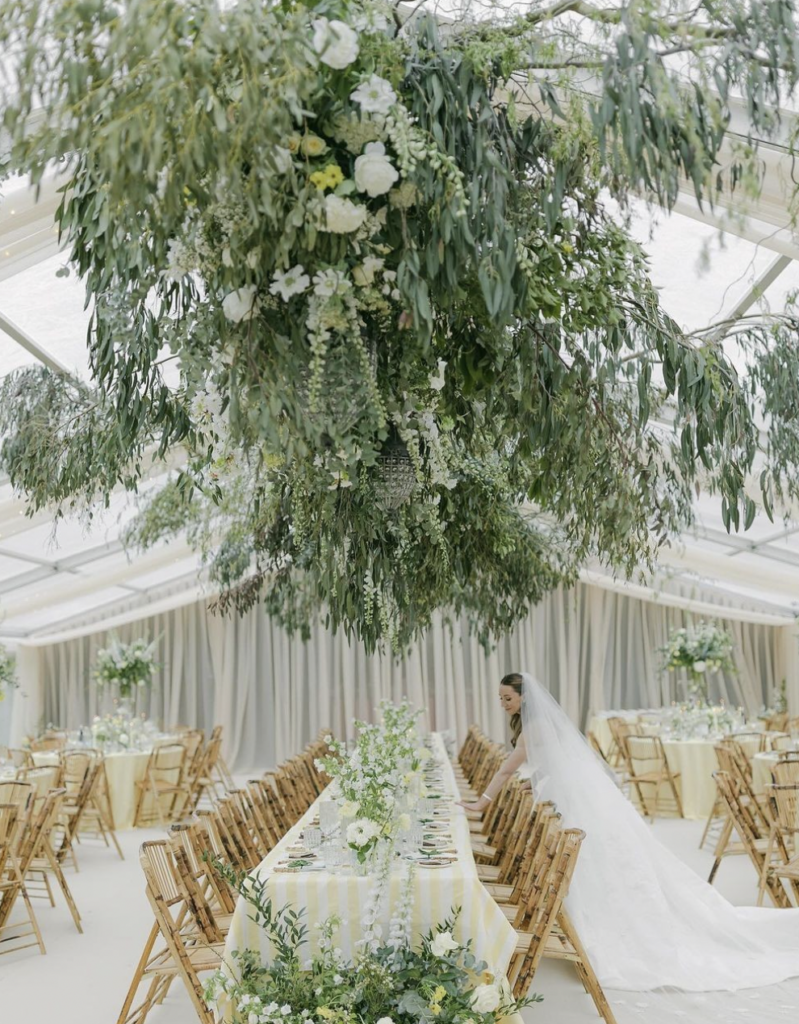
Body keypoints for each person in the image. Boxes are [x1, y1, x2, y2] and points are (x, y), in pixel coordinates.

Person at [460, 671, 799, 1020]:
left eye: (508, 698)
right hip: (580, 795)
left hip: (577, 801)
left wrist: (480, 804)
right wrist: (537, 782)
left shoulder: (531, 730)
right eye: (501, 698)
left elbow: (503, 773)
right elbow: (555, 764)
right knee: (603, 866)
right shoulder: (538, 727)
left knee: (601, 864)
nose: (503, 704)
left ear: (524, 698)